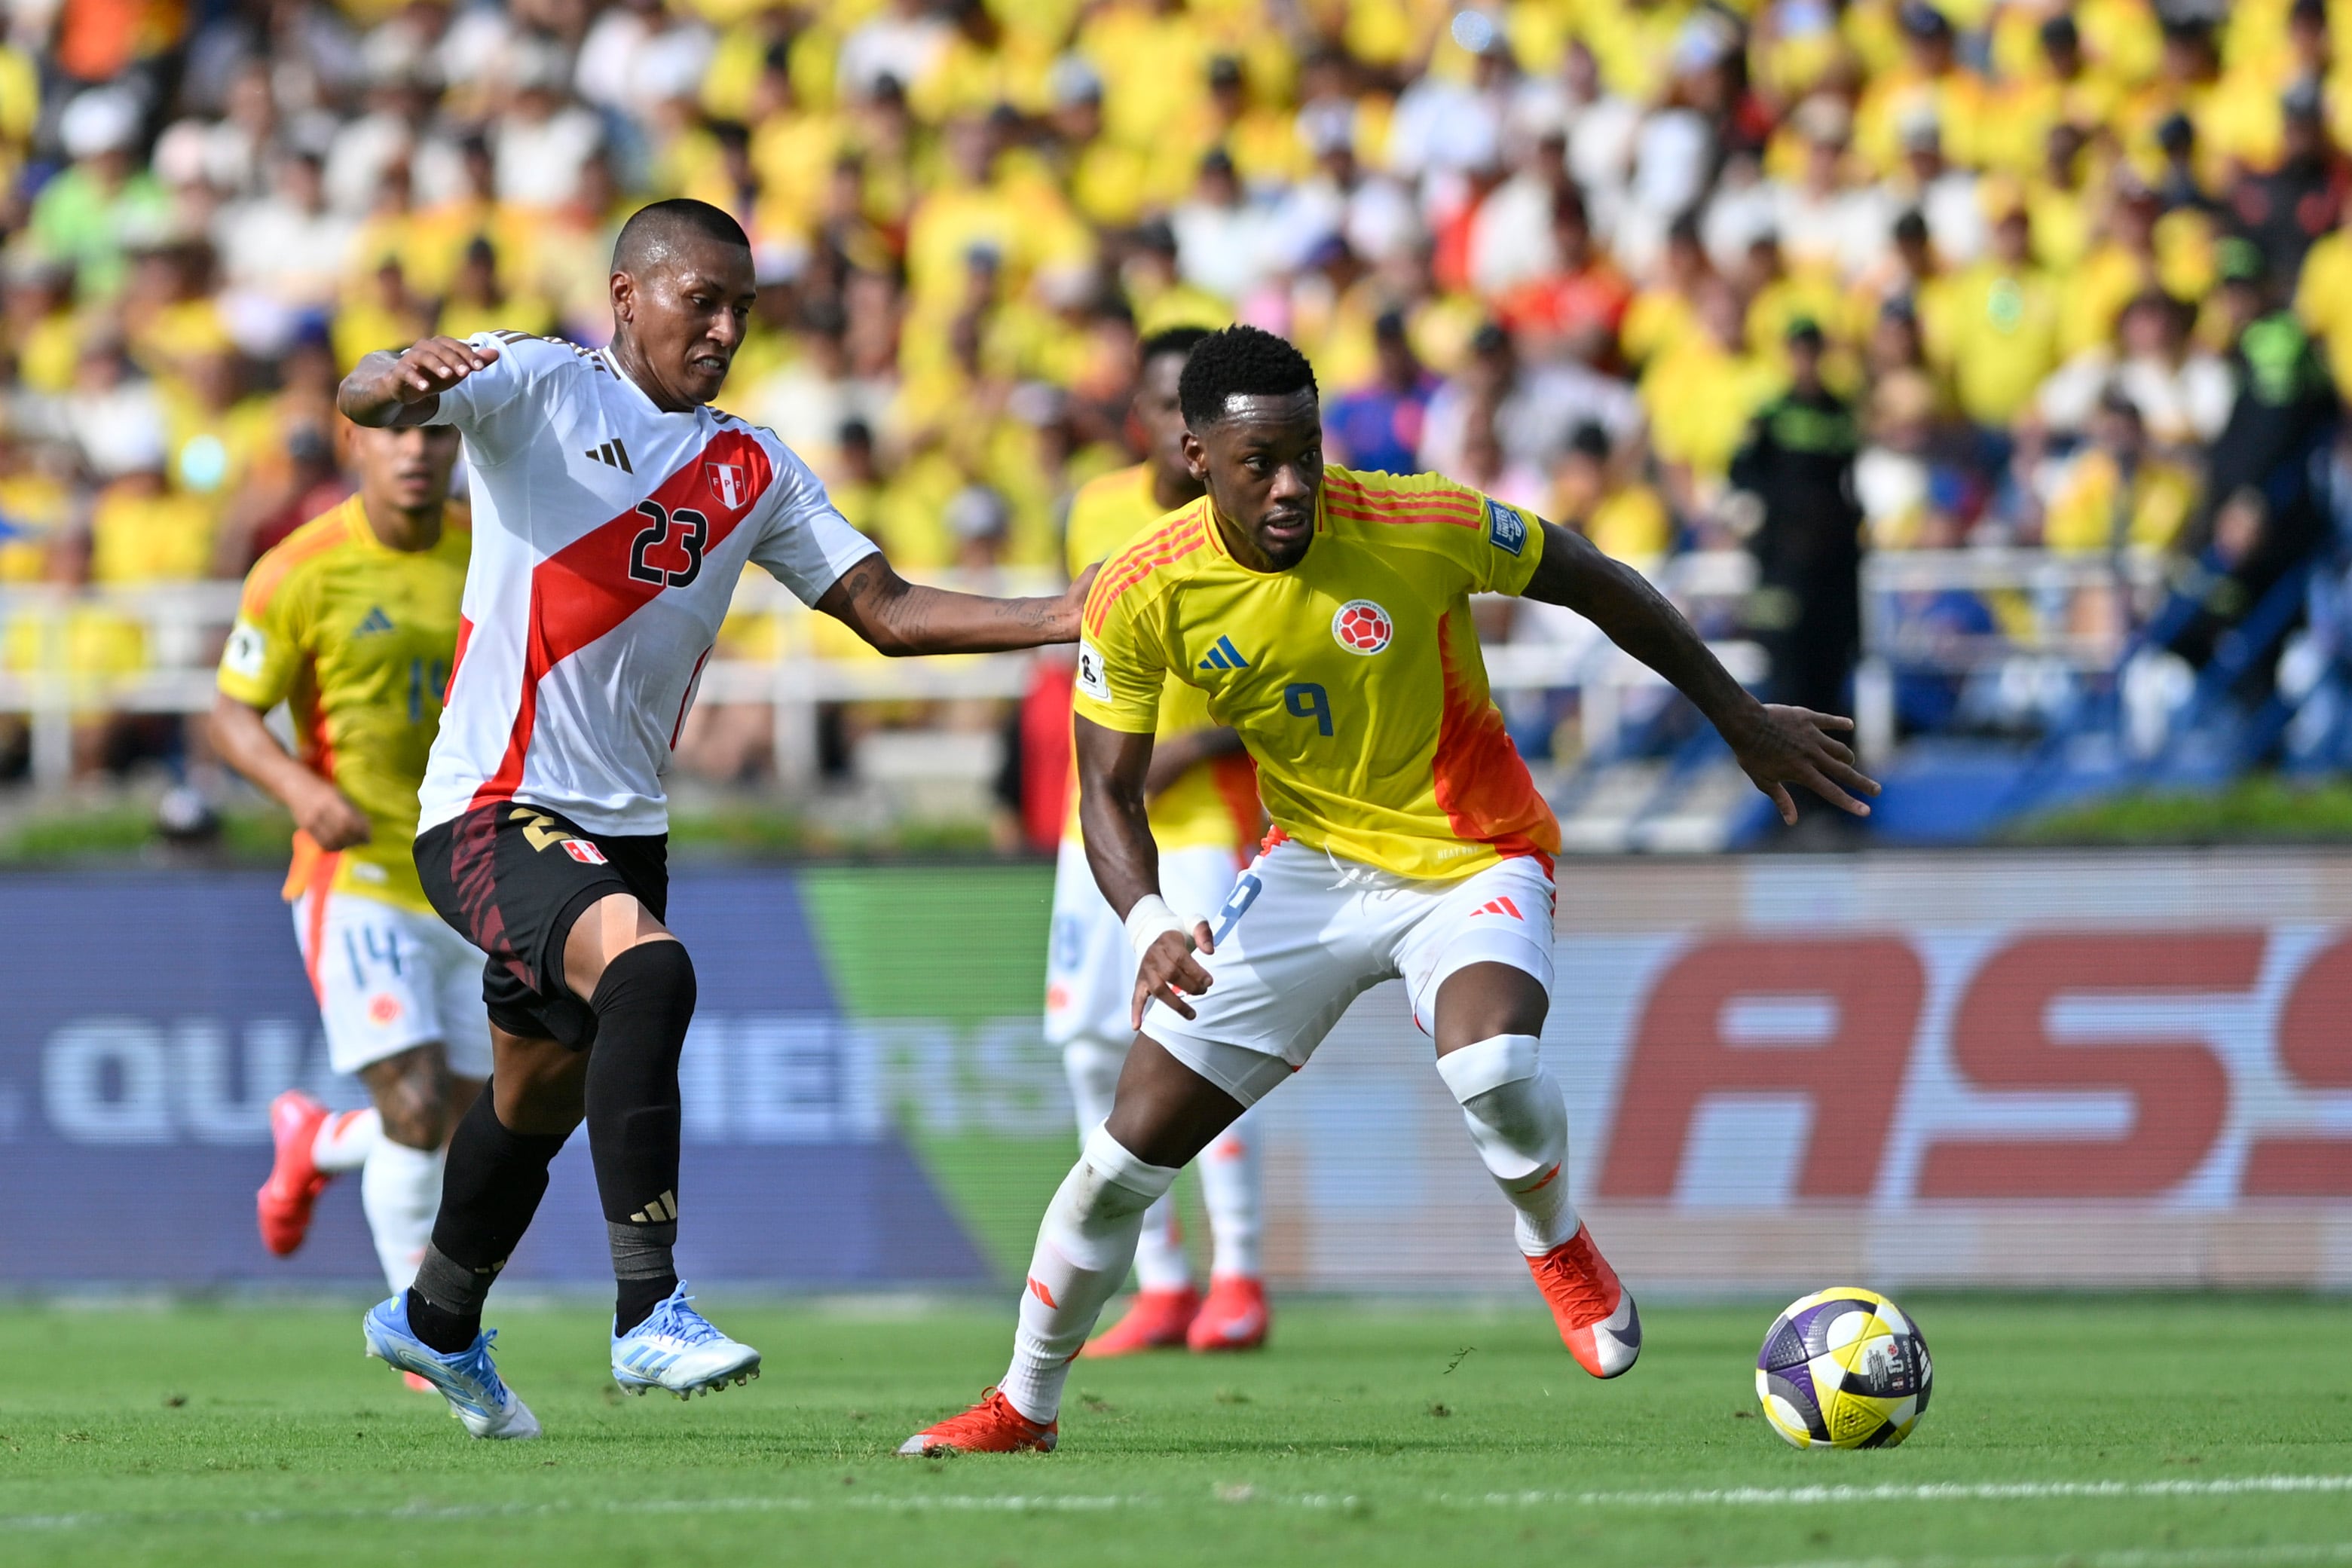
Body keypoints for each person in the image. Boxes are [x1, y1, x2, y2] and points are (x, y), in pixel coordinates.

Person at [901, 326, 1877, 1456]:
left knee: (1492, 1063)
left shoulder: (1422, 520)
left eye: (1306, 453)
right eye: (1259, 461)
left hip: (1471, 852)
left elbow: (1598, 583)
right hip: (1307, 870)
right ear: (1196, 457)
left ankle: (1551, 1238)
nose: (1291, 485)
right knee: (1119, 1163)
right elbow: (1106, 796)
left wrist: (1740, 720)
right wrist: (1154, 922)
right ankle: (1025, 1403)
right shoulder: (1145, 587)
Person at [334, 198, 1094, 1441]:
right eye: (706, 301)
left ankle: (436, 1315)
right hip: (493, 803)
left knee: (534, 1098)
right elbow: (374, 400)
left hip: (625, 829)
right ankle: (649, 1310)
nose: (730, 328)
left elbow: (888, 611)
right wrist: (390, 371)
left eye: (746, 308)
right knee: (651, 976)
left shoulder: (755, 465)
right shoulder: (532, 383)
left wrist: (1062, 611)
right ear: (628, 295)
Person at [218, 420, 484, 1326]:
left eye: (437, 431)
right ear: (353, 444)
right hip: (356, 869)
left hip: (468, 875)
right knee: (413, 1110)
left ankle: (319, 1137)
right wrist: (298, 787)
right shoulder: (301, 568)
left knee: (458, 1124)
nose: (416, 449)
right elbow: (232, 714)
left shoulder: (488, 553)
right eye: (394, 432)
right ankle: (424, 1325)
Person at [1047, 324, 1270, 1358]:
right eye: (1156, 403)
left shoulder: (1256, 522)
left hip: (1200, 829)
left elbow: (1284, 679)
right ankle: (1163, 1280)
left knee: (1201, 1044)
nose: (1171, 425)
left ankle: (1239, 1275)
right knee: (1090, 1046)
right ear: (1137, 413)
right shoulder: (1092, 509)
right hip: (1096, 825)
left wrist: (1199, 744)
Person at [1729, 319, 1866, 720]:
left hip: (1831, 564)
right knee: (1784, 665)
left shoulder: (1839, 412)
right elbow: (1742, 473)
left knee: (1831, 667)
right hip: (1781, 561)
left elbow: (1849, 481)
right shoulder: (1771, 414)